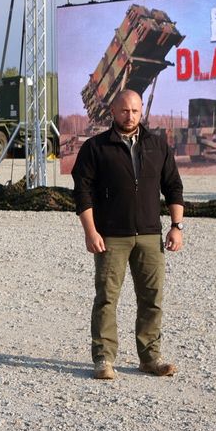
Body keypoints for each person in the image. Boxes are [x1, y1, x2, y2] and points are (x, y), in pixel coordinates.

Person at [72, 89, 184, 381]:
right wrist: (91, 231)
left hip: (150, 235)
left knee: (152, 298)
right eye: (124, 111)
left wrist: (176, 226)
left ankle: (150, 358)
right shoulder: (96, 148)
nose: (130, 116)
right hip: (111, 236)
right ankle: (104, 359)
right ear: (113, 111)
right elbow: (82, 192)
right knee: (107, 298)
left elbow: (173, 186)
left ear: (141, 112)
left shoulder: (157, 146)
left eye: (135, 111)